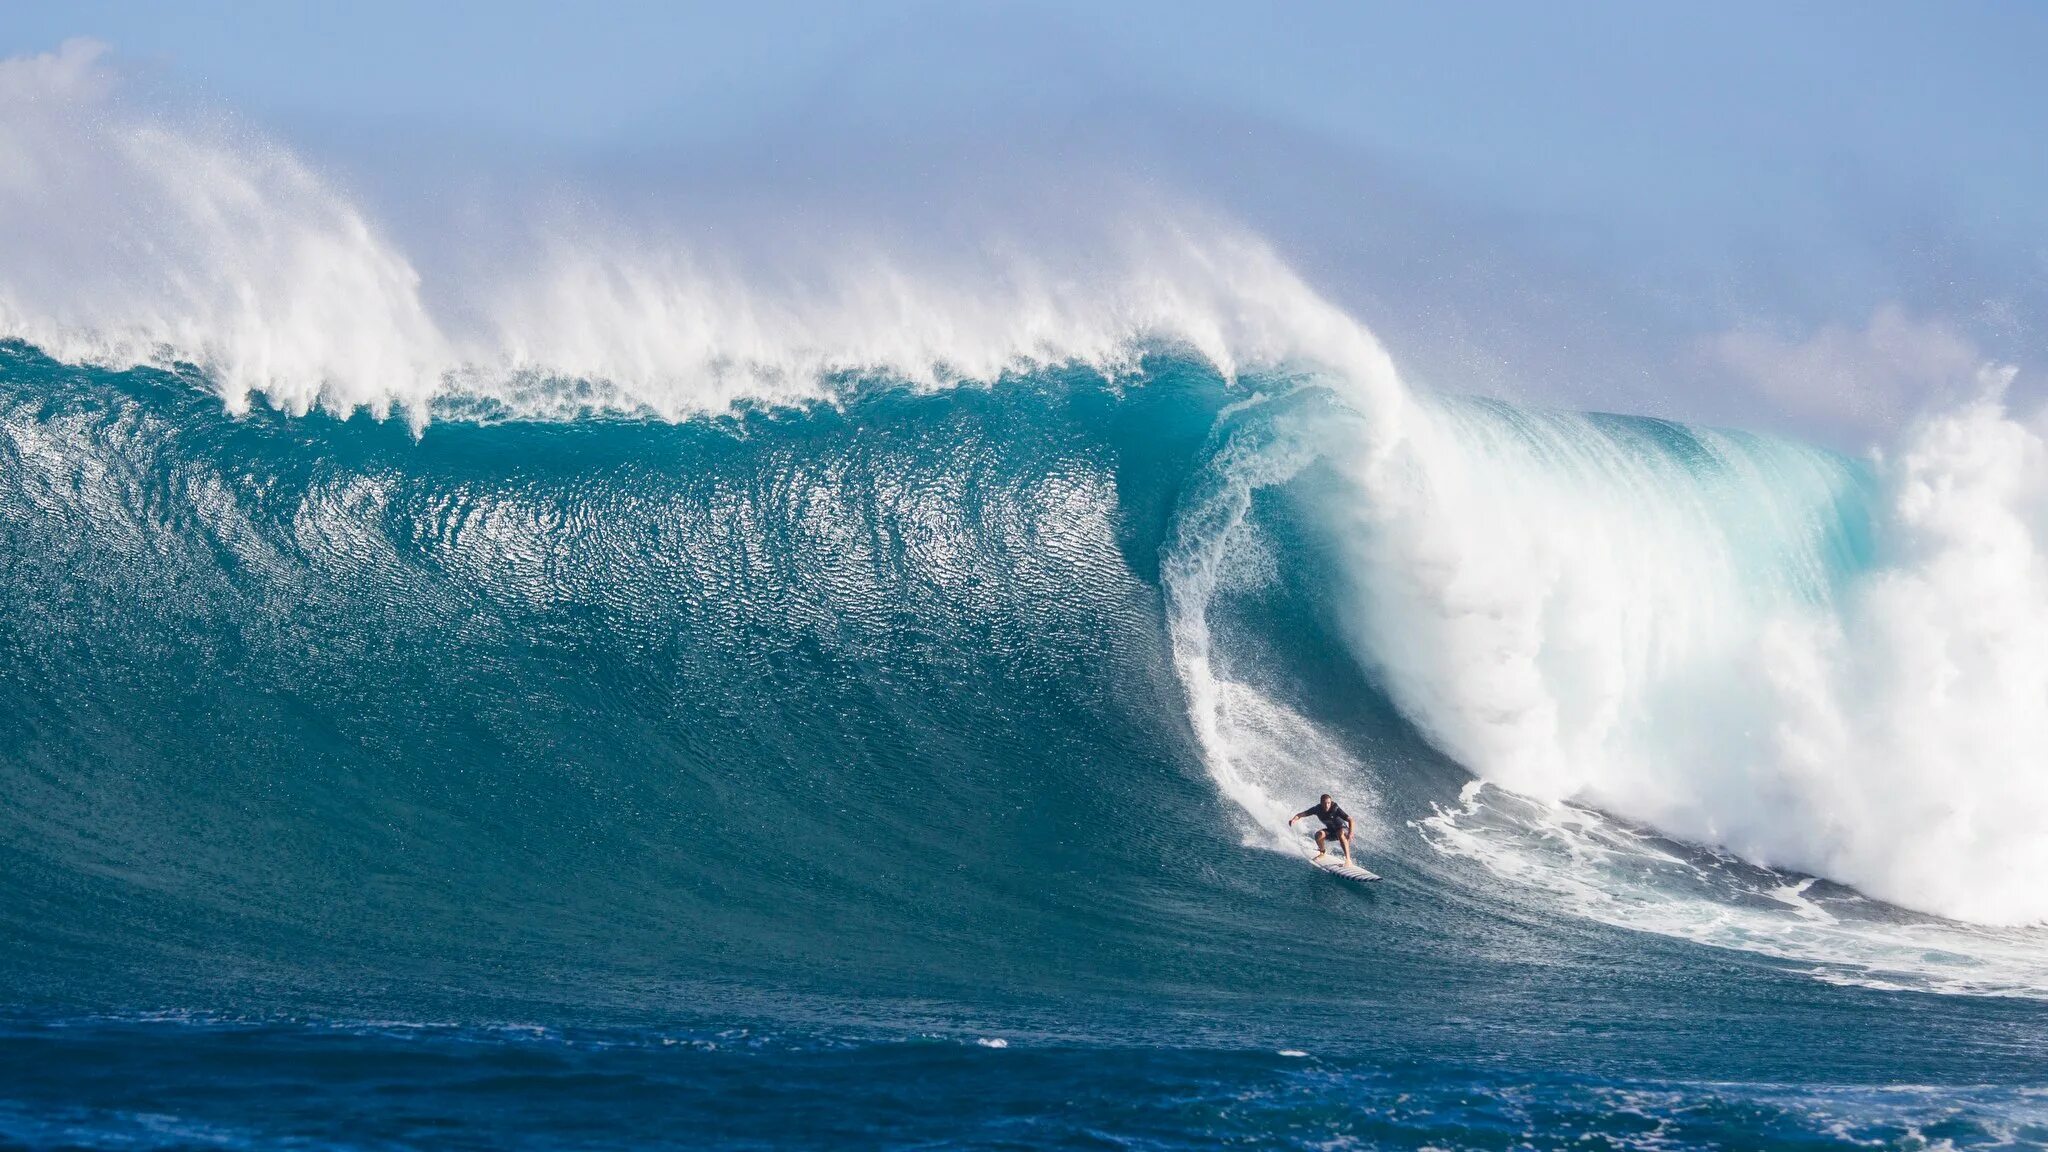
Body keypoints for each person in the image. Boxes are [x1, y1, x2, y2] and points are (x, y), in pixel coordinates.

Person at [1288, 794, 1354, 864]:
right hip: (1332, 832)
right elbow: (1301, 815)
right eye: (1325, 803)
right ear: (1321, 803)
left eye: (1329, 803)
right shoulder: (1317, 809)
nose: (1327, 805)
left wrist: (1350, 833)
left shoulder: (1335, 808)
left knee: (1340, 833)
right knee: (1318, 835)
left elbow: (1351, 820)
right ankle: (1322, 852)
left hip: (1344, 831)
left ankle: (1348, 860)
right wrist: (1293, 820)